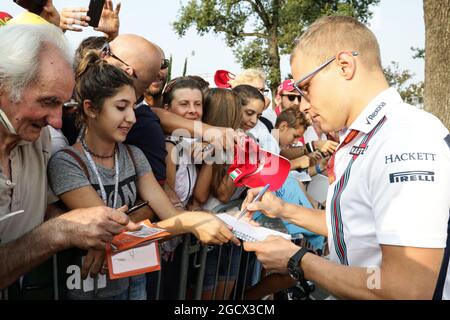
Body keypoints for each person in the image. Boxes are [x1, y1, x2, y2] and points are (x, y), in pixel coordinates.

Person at [243, 15, 450, 300]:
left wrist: (298, 260)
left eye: (306, 87)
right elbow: (353, 225)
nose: (303, 104)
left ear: (344, 65)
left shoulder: (404, 138)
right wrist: (282, 209)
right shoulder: (369, 136)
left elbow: (406, 287)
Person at [0, 23, 140, 291]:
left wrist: (86, 226)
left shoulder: (36, 138)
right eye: (48, 101)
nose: (55, 122)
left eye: (62, 105)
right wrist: (60, 231)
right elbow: (55, 227)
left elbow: (45, 208)